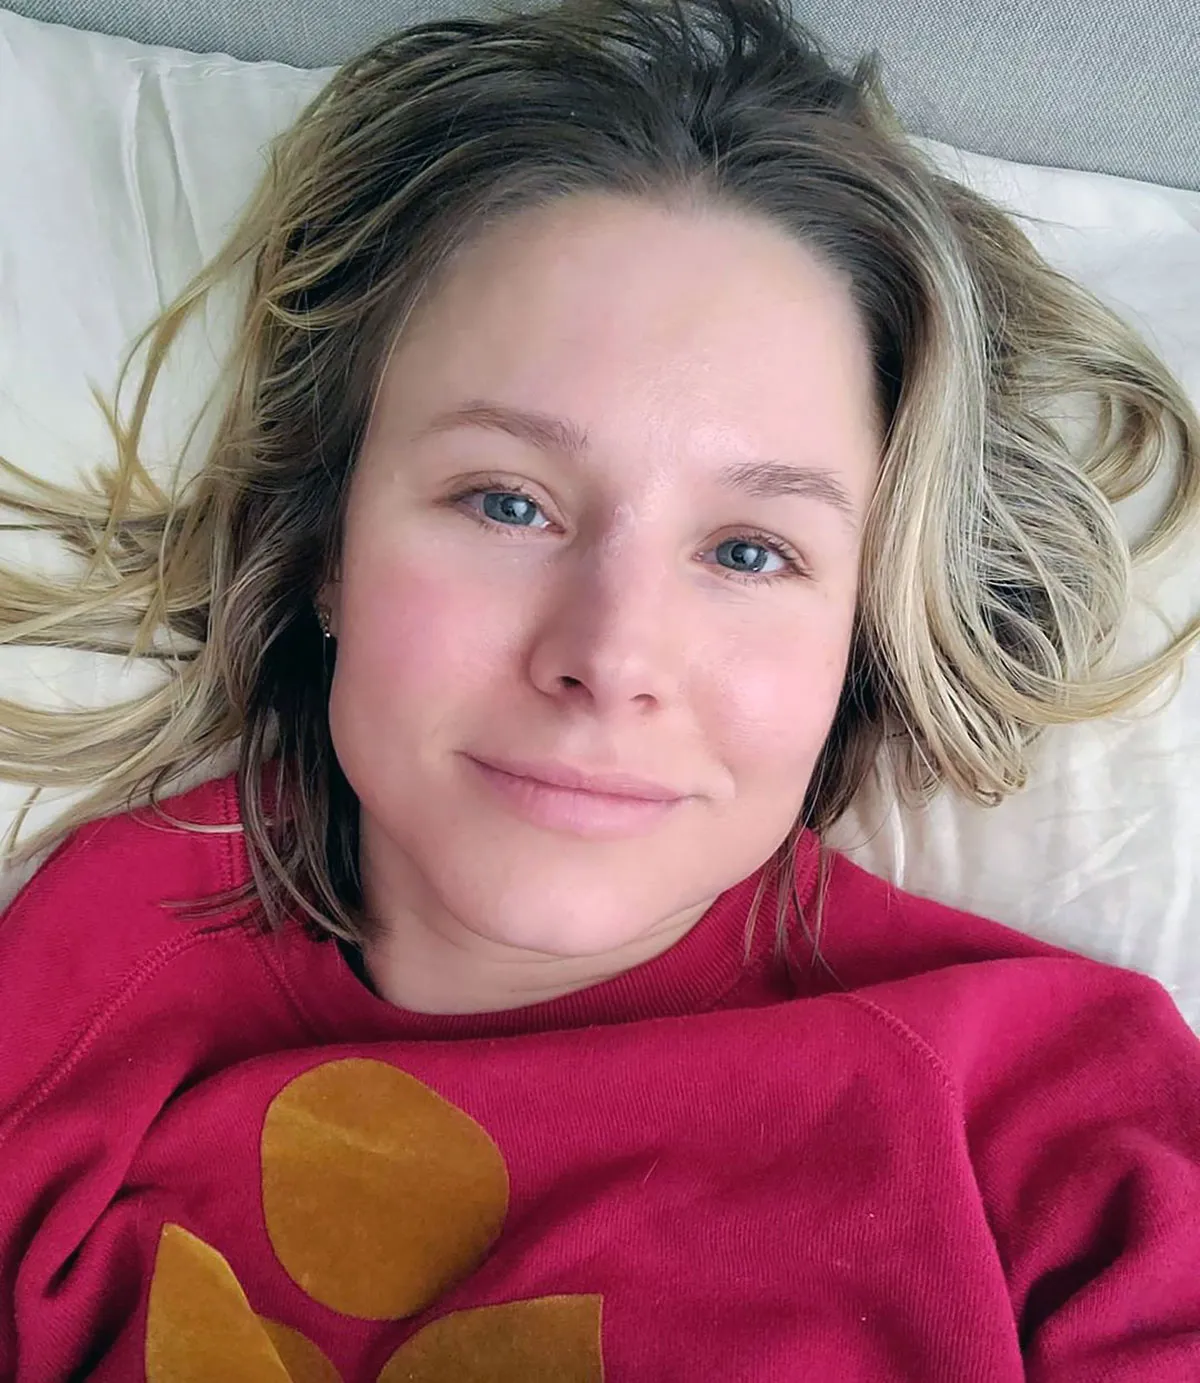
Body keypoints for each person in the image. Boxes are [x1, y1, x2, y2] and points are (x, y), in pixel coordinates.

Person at [1, 0, 1198, 1376]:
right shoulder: (92, 983)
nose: (612, 656)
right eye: (506, 502)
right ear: (328, 544)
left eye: (749, 551)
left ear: (864, 632)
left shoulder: (1059, 1123)